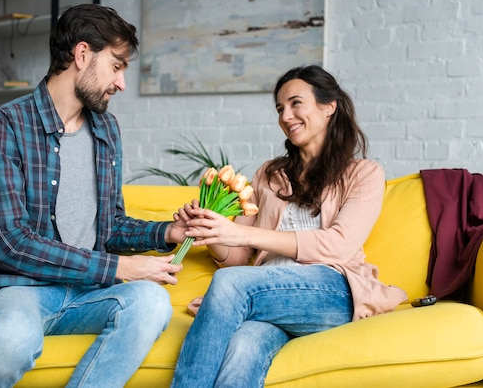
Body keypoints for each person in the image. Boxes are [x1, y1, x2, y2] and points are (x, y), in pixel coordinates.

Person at [0, 4, 193, 388]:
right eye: (117, 66)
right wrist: (119, 268)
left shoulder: (106, 129)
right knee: (10, 342)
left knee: (151, 303)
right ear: (82, 55)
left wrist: (168, 232)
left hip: (86, 294)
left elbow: (110, 226)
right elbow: (11, 244)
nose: (121, 83)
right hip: (20, 289)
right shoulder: (4, 125)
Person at [170, 65, 408, 387]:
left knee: (229, 285)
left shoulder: (364, 174)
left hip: (330, 290)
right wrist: (211, 230)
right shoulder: (269, 174)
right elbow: (241, 256)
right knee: (243, 347)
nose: (286, 115)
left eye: (296, 103)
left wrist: (240, 232)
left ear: (328, 106)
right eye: (280, 108)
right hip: (268, 295)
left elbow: (338, 246)